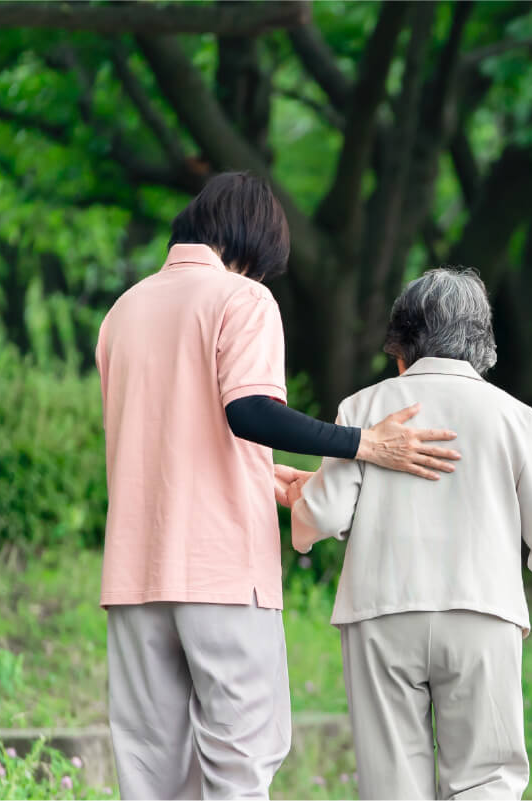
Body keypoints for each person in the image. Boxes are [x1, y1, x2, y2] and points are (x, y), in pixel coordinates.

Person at [96, 172, 462, 799]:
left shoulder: (123, 311)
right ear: (253, 246)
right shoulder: (241, 299)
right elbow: (248, 410)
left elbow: (161, 434)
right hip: (220, 570)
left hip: (134, 575)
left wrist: (257, 474)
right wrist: (363, 443)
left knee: (151, 770)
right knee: (242, 755)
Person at [287, 267, 532, 800]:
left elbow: (325, 514)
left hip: (380, 612)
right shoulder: (516, 417)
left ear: (402, 341)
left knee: (392, 783)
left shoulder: (364, 406)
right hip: (482, 612)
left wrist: (297, 512)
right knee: (485, 779)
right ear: (483, 347)